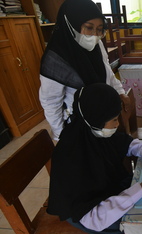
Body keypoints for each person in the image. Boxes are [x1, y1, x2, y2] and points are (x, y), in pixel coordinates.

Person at [47, 83, 142, 234]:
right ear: (96, 119)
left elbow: (127, 143)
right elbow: (95, 218)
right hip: (90, 215)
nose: (118, 124)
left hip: (108, 192)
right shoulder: (71, 158)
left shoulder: (92, 131)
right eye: (113, 119)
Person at [39, 0, 129, 141]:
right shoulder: (56, 60)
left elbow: (107, 71)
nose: (94, 34)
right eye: (89, 27)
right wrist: (60, 134)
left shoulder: (96, 43)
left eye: (99, 29)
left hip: (102, 115)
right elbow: (51, 102)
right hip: (78, 122)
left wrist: (120, 92)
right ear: (71, 24)